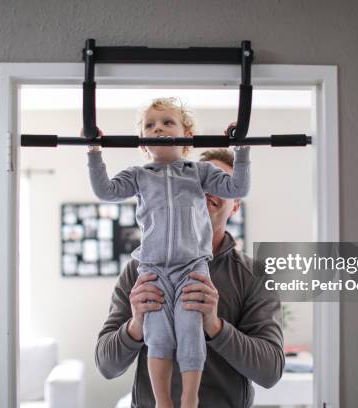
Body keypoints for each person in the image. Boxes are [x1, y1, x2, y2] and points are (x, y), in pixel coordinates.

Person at [86, 97, 253, 408]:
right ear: (142, 143)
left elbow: (237, 188)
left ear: (187, 137)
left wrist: (241, 150)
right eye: (150, 125)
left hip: (192, 267)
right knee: (158, 336)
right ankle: (163, 403)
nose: (158, 128)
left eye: (167, 122)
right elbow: (104, 191)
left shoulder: (198, 172)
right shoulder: (138, 175)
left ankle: (190, 400)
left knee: (191, 331)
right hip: (154, 269)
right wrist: (94, 152)